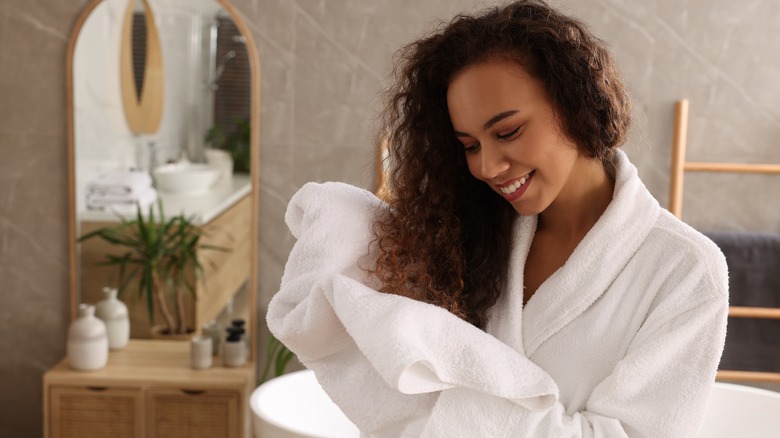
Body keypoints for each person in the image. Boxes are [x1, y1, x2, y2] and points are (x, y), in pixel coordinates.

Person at [267, 1, 729, 436]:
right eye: (469, 145)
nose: (486, 167)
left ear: (574, 105)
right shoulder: (473, 235)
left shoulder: (685, 271)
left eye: (507, 131)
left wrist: (446, 416)